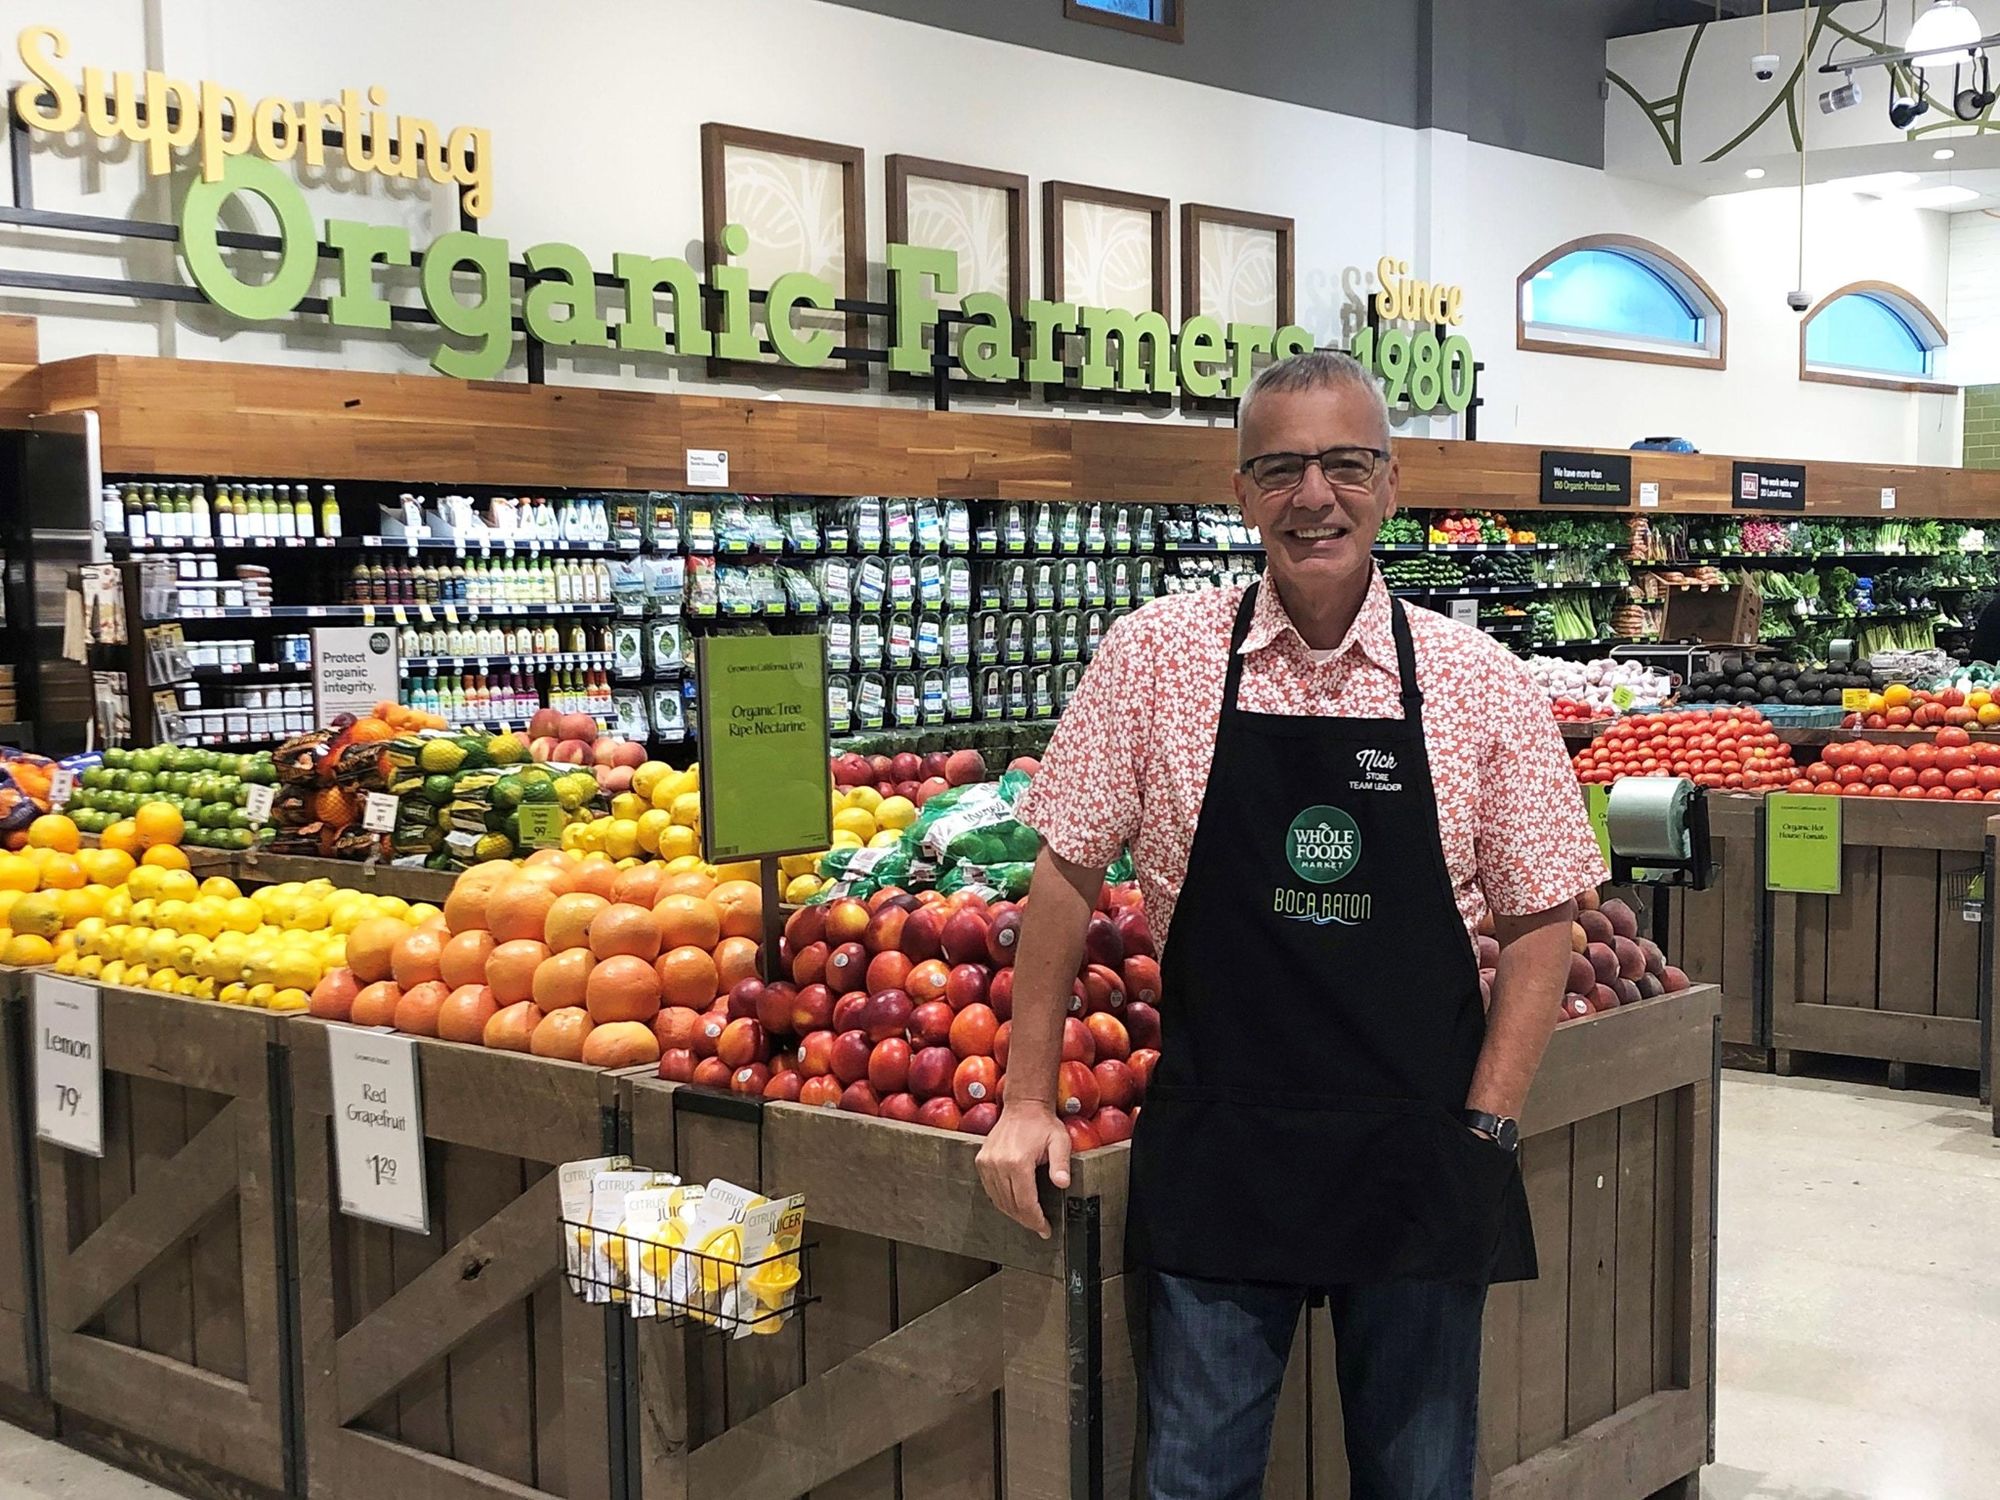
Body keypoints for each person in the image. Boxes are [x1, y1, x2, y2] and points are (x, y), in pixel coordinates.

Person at [975, 350, 1608, 1499]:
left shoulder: (1477, 679)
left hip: (1417, 1151)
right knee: (1193, 1479)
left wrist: (1487, 1127)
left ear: (1391, 481)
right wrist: (1026, 1102)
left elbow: (1539, 921)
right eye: (1277, 468)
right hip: (1223, 1144)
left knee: (1418, 1483)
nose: (1311, 495)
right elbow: (1062, 877)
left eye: (1342, 463)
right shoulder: (1153, 658)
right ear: (1239, 492)